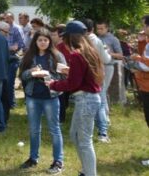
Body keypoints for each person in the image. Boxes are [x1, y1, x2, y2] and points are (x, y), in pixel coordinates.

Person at [46, 20, 104, 176]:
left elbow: (73, 84)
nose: (62, 41)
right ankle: (86, 171)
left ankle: (89, 173)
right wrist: (69, 71)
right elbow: (84, 76)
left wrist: (53, 84)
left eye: (64, 38)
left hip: (86, 99)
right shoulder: (89, 51)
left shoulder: (77, 55)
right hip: (88, 98)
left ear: (70, 37)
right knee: (74, 135)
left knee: (84, 141)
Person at [18, 29, 65, 174]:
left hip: (50, 97)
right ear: (35, 41)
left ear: (50, 41)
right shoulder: (29, 56)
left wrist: (49, 76)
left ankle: (58, 161)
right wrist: (31, 72)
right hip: (33, 97)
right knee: (34, 130)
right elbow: (22, 76)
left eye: (45, 40)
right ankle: (33, 158)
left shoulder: (57, 56)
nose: (43, 42)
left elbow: (64, 76)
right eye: (40, 40)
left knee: (54, 129)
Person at [81, 18, 112, 143]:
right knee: (101, 102)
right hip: (96, 75)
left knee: (86, 102)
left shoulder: (79, 40)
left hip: (83, 75)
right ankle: (103, 133)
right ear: (92, 29)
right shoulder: (96, 41)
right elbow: (106, 59)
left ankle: (87, 130)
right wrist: (107, 53)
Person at [131, 15, 149, 167]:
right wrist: (141, 42)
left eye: (144, 26)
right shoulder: (146, 42)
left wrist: (137, 59)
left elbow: (147, 63)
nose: (142, 29)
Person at [4, 12, 25, 109]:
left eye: (7, 18)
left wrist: (9, 48)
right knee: (5, 81)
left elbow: (21, 44)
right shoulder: (3, 28)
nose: (6, 20)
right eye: (5, 18)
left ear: (12, 18)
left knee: (10, 82)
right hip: (4, 58)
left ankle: (12, 103)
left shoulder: (17, 28)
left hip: (13, 58)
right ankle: (7, 102)